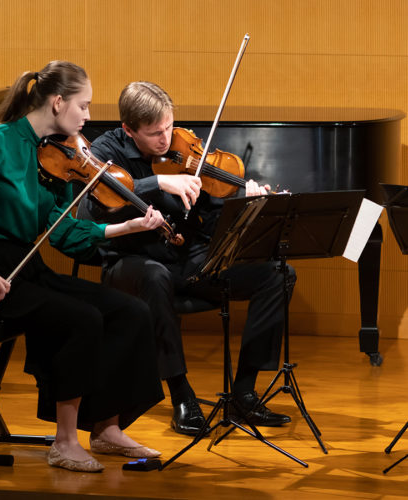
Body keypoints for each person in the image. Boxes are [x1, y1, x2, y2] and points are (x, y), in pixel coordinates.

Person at [0, 63, 166, 473]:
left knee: (131, 311)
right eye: (84, 105)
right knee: (81, 318)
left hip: (27, 267)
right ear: (58, 102)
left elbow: (63, 233)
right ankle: (65, 441)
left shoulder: (54, 155)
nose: (89, 117)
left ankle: (107, 428)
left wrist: (124, 226)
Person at [81, 81, 296, 436]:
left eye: (168, 126)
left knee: (278, 274)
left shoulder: (185, 147)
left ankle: (244, 391)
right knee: (155, 277)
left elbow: (212, 220)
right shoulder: (105, 150)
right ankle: (181, 395)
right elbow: (93, 211)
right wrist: (157, 183)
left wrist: (245, 202)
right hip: (130, 261)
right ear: (128, 129)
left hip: (189, 260)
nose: (166, 139)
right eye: (154, 134)